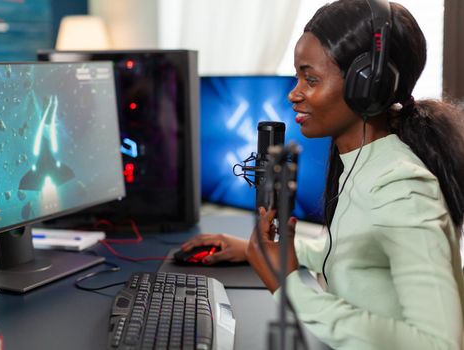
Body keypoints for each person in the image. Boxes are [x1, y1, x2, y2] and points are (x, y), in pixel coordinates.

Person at [182, 0, 464, 348]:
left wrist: (287, 284)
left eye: (310, 78)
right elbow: (355, 252)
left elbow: (441, 343)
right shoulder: (365, 161)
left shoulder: (401, 189)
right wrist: (264, 249)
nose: (293, 93)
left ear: (367, 86)